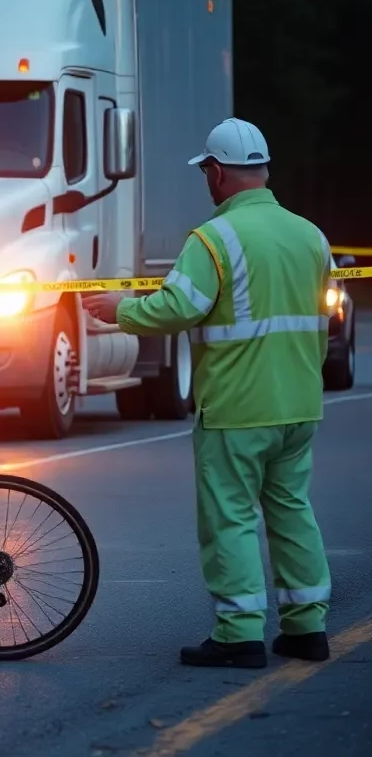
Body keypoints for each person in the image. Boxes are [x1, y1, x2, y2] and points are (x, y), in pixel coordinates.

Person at [82, 117, 333, 669]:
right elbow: (323, 318)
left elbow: (176, 308)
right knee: (291, 511)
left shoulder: (214, 238)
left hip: (238, 409)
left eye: (207, 174)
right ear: (263, 170)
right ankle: (307, 627)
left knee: (232, 518)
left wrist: (116, 309)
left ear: (217, 173)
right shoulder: (310, 235)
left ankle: (240, 633)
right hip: (300, 405)